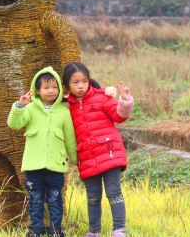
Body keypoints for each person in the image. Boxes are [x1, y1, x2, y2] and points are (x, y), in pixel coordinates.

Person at [63, 62, 134, 237]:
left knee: (114, 193)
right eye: (76, 82)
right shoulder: (67, 107)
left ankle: (119, 229)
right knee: (93, 197)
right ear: (67, 85)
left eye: (84, 81)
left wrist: (125, 100)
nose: (81, 86)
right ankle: (94, 232)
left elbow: (119, 116)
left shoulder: (102, 97)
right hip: (86, 158)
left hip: (109, 154)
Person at [7, 66, 77, 237]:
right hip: (34, 166)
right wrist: (20, 106)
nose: (51, 91)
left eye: (54, 87)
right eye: (46, 87)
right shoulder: (30, 109)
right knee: (36, 200)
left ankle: (55, 230)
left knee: (55, 199)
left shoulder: (63, 112)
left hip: (56, 166)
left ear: (59, 89)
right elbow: (14, 124)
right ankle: (35, 230)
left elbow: (69, 138)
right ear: (37, 90)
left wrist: (76, 160)